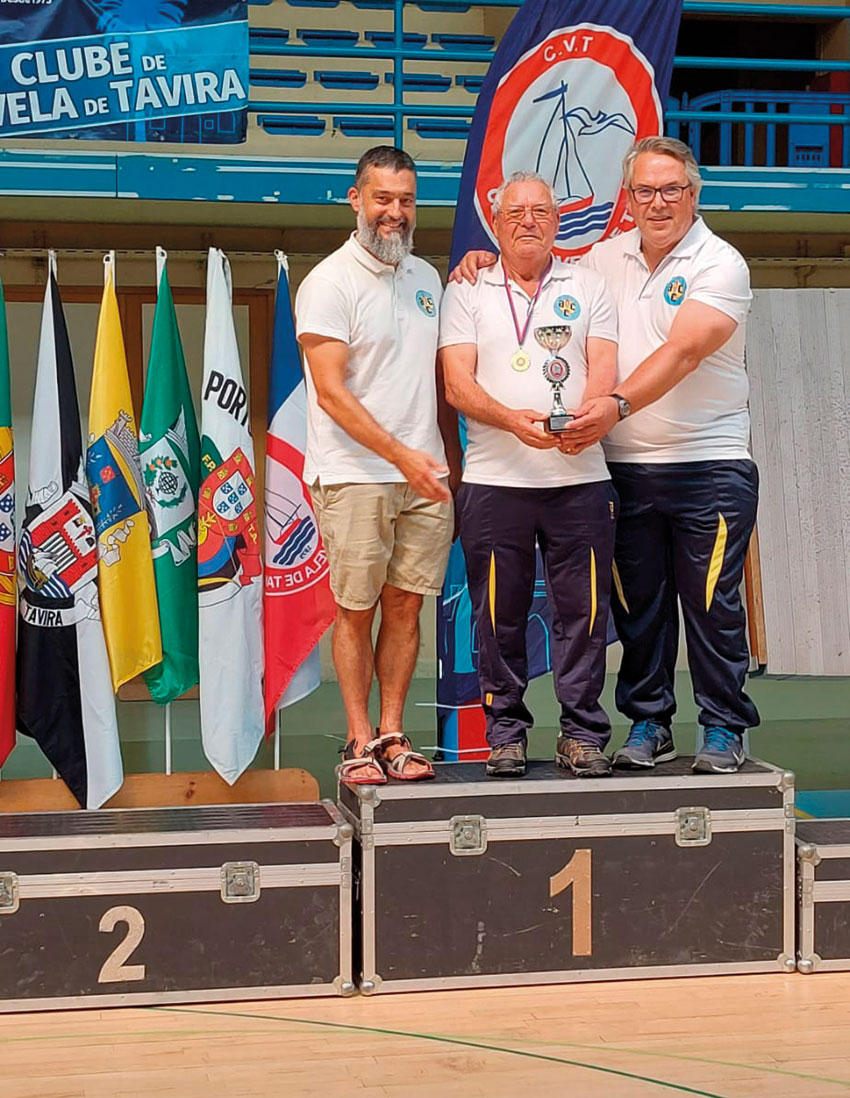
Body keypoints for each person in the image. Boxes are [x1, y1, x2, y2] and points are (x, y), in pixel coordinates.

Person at [453, 137, 759, 775]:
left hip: (709, 462)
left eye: (670, 189)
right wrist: (486, 256)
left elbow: (683, 352)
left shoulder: (720, 262)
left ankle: (724, 724)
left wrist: (614, 405)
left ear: (693, 194)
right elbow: (535, 259)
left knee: (710, 603)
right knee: (637, 606)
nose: (656, 202)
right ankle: (650, 722)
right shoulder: (603, 258)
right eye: (643, 190)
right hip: (624, 467)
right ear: (628, 198)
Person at [439, 171, 619, 778]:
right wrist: (510, 420)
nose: (527, 221)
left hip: (579, 477)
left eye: (540, 211)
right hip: (495, 480)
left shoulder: (588, 285)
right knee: (497, 615)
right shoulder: (467, 288)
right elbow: (457, 384)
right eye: (514, 211)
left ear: (557, 219)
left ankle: (583, 732)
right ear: (494, 218)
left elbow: (603, 368)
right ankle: (506, 731)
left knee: (584, 614)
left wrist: (586, 419)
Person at [295, 145, 461, 786]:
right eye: (383, 198)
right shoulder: (329, 282)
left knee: (406, 608)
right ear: (355, 199)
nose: (395, 212)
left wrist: (445, 464)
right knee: (356, 609)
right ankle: (358, 740)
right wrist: (402, 458)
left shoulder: (426, 278)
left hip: (425, 476)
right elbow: (332, 393)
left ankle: (393, 733)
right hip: (354, 473)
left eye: (406, 200)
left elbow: (435, 381)